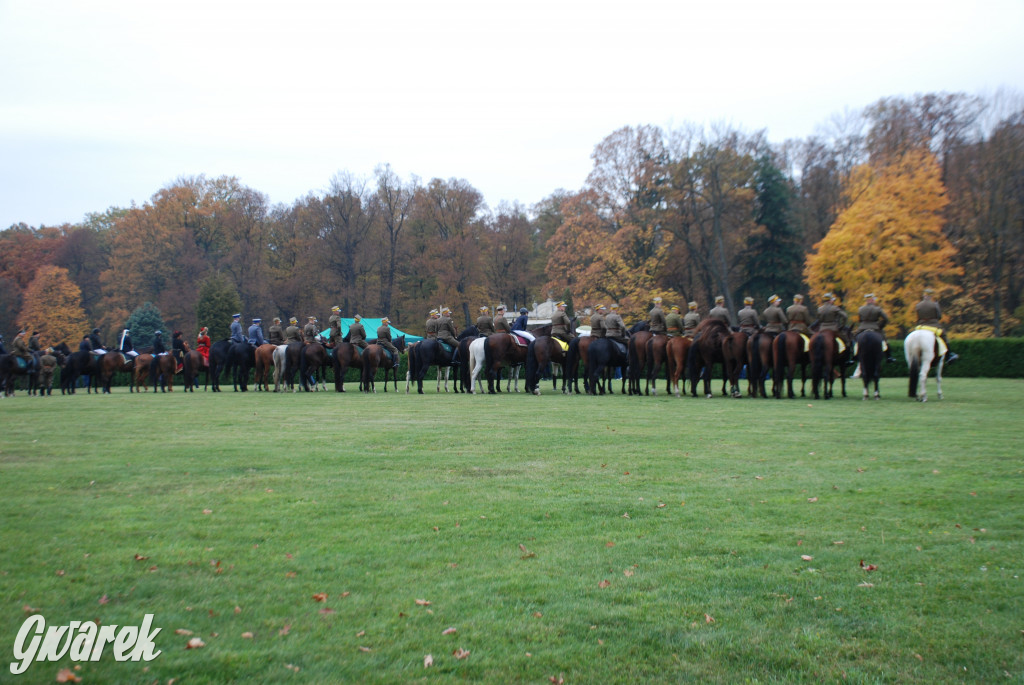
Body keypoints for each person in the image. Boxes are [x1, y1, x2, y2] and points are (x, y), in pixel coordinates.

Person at [915, 288, 959, 363]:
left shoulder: (918, 305)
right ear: (930, 296)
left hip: (920, 327)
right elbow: (939, 316)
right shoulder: (934, 304)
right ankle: (949, 355)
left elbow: (918, 317)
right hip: (933, 326)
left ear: (924, 296)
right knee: (944, 336)